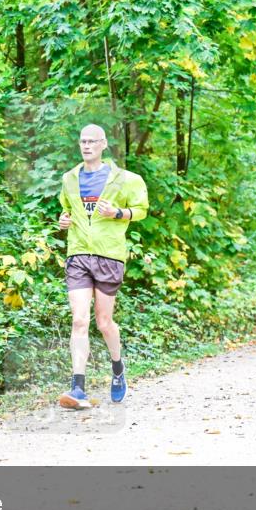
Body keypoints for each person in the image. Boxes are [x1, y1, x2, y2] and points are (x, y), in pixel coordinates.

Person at [57, 124, 149, 408]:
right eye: (82, 141)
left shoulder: (125, 179)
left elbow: (141, 211)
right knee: (79, 320)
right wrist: (63, 221)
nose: (86, 146)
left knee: (104, 322)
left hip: (109, 255)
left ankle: (118, 368)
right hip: (78, 255)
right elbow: (67, 210)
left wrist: (118, 213)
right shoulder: (69, 179)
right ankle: (77, 388)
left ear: (103, 144)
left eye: (91, 141)